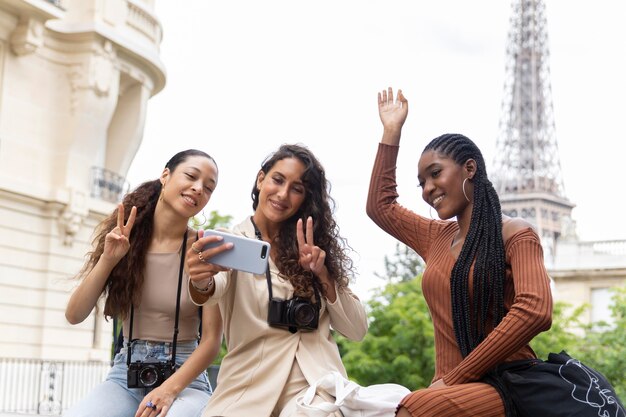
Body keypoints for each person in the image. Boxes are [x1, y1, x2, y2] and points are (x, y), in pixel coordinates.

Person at [366, 88, 553, 417]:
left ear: (469, 168)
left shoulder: (516, 233)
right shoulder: (435, 237)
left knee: (412, 409)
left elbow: (535, 310)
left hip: (506, 384)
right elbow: (381, 207)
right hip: (450, 388)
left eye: (435, 173)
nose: (428, 190)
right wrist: (391, 133)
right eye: (421, 182)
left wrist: (458, 377)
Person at [187, 143, 368, 417]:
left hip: (313, 385)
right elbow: (212, 289)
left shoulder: (313, 249)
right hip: (249, 386)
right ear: (261, 179)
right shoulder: (232, 242)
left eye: (297, 188)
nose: (283, 194)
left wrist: (323, 274)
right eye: (278, 180)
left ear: (305, 199)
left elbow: (357, 330)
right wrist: (201, 280)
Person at [64, 149, 229, 417]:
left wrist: (169, 390)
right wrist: (108, 259)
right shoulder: (126, 240)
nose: (199, 188)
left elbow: (211, 342)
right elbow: (74, 314)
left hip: (184, 379)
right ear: (166, 175)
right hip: (125, 375)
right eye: (191, 176)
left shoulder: (205, 251)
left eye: (209, 188)